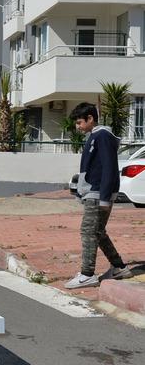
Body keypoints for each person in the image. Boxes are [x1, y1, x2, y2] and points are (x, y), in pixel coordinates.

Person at [66, 103, 132, 289]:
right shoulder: (94, 136)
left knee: (88, 231)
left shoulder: (102, 136)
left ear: (90, 118)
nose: (77, 126)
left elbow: (109, 167)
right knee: (98, 232)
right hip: (93, 192)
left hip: (97, 194)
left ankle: (87, 274)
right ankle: (119, 267)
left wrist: (104, 197)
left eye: (79, 122)